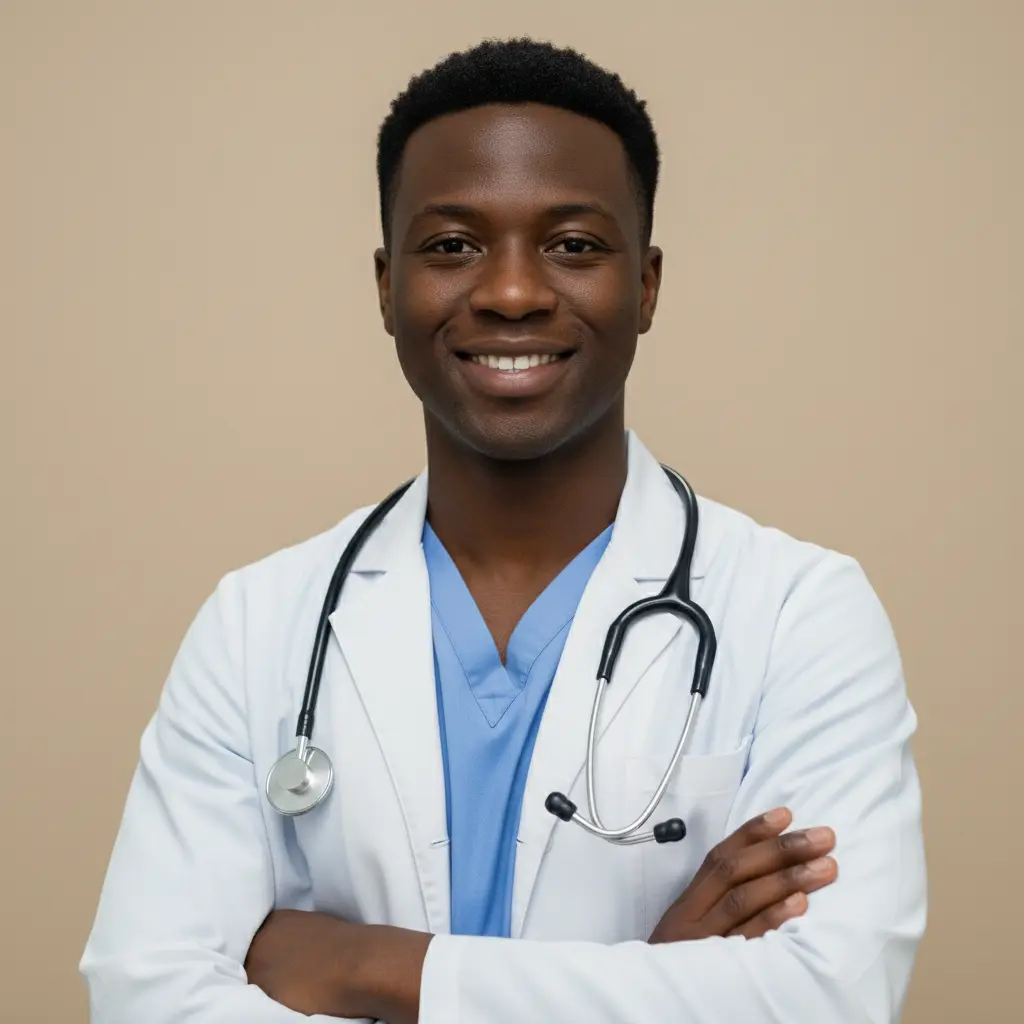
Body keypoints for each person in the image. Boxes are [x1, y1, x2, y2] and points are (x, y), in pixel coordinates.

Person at [80, 38, 926, 1024]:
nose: (513, 291)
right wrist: (649, 978)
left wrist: (368, 968)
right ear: (385, 283)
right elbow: (144, 997)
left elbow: (826, 996)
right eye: (451, 245)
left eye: (572, 244)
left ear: (645, 284)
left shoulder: (799, 612)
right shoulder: (257, 624)